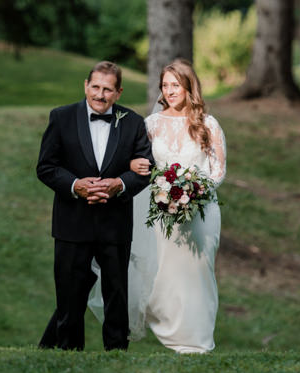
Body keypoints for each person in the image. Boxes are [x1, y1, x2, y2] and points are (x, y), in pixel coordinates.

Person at [89, 58, 227, 354]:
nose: (169, 90)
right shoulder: (150, 124)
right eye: (165, 85)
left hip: (200, 211)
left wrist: (193, 191)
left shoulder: (208, 124)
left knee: (198, 274)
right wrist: (137, 168)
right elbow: (138, 160)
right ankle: (164, 329)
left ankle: (196, 343)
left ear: (189, 87)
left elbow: (217, 171)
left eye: (175, 85)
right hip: (159, 210)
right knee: (161, 274)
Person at [36, 61, 153, 351]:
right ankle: (68, 352)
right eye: (96, 87)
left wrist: (118, 185)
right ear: (86, 86)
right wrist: (76, 186)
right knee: (69, 293)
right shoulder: (61, 117)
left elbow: (144, 169)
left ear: (119, 92)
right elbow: (46, 167)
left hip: (115, 222)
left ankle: (116, 353)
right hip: (72, 220)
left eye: (108, 89)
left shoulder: (133, 122)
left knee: (116, 292)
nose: (100, 95)